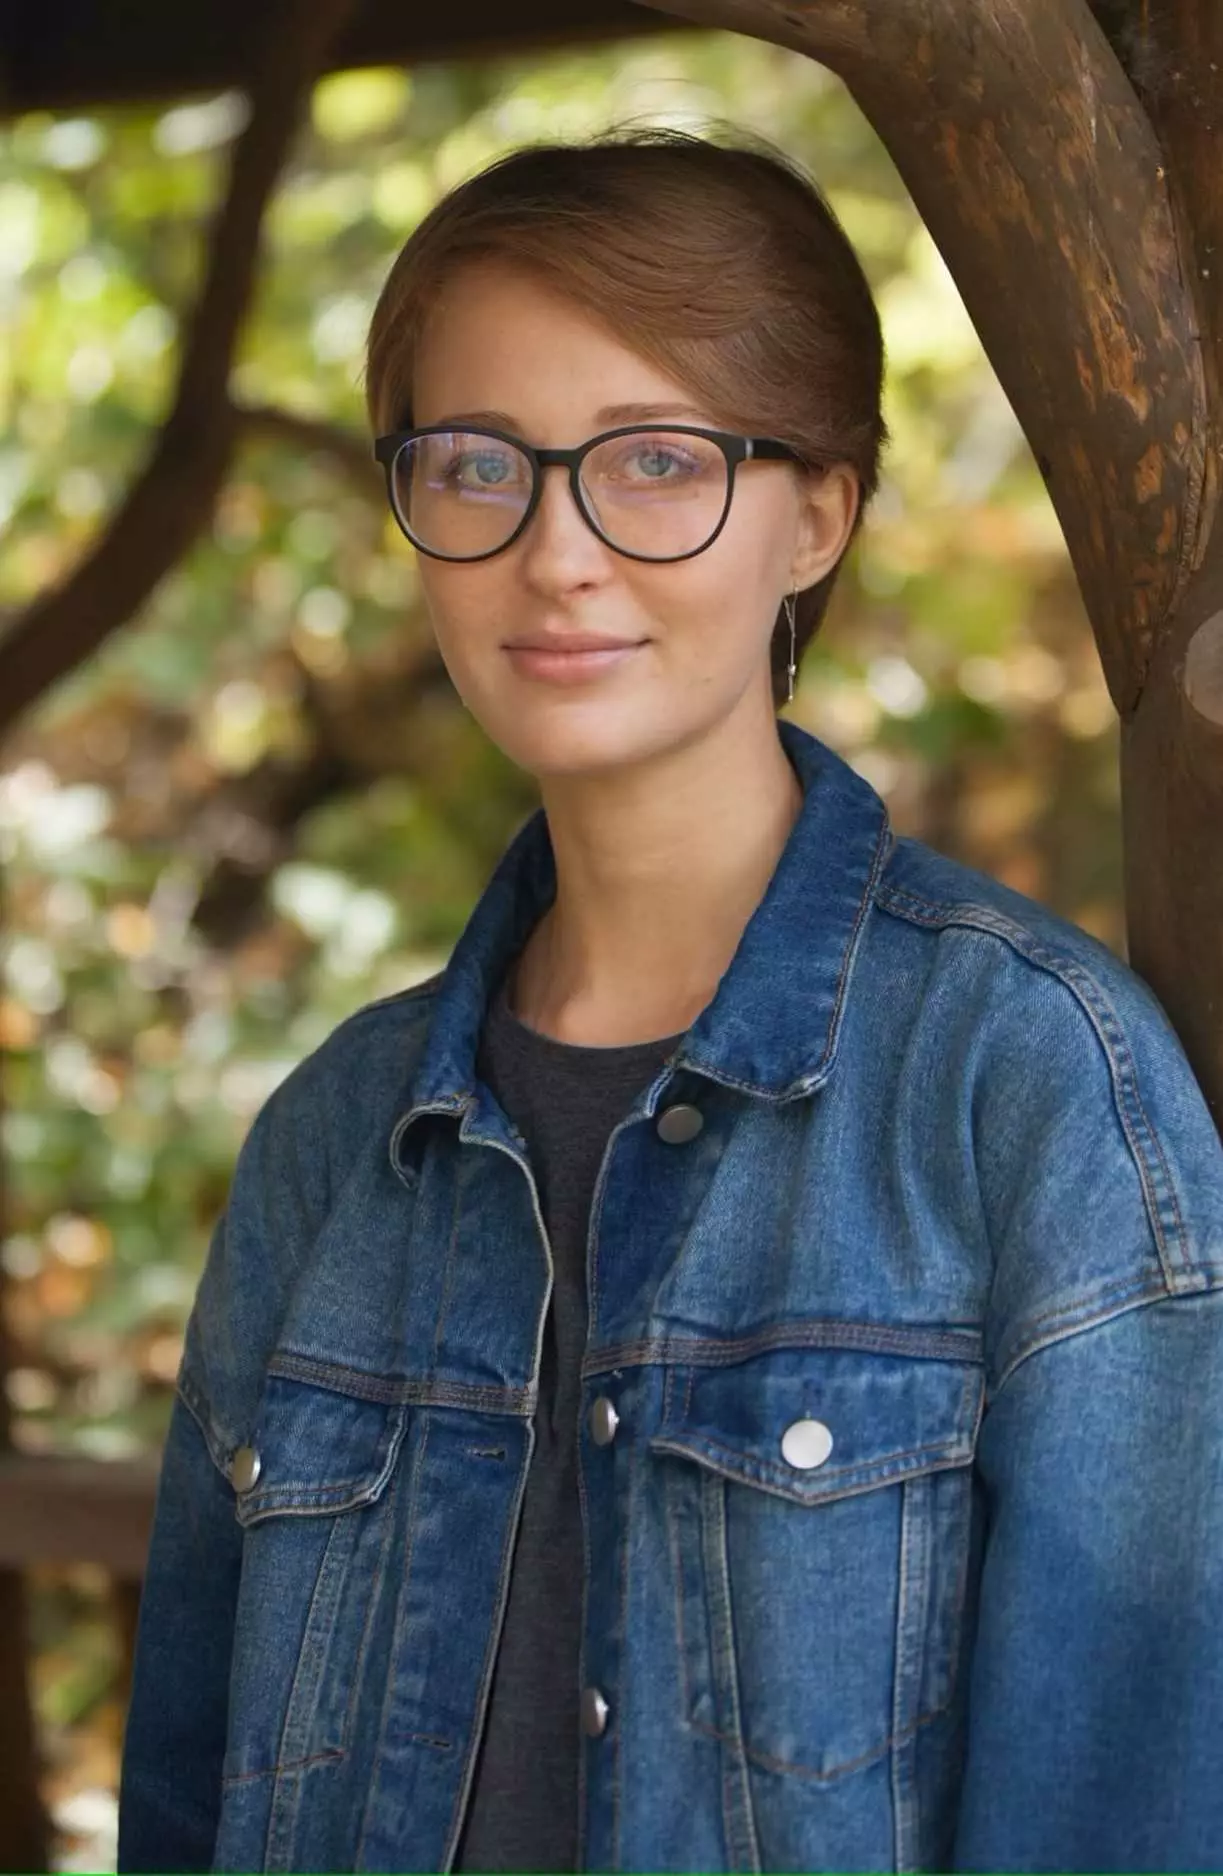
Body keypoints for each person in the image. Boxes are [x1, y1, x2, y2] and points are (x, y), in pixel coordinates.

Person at [117, 126, 1223, 1875]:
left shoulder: (1025, 1084)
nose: (554, 552)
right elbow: (184, 1808)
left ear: (816, 515)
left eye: (654, 462)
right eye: (476, 463)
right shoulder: (331, 1139)